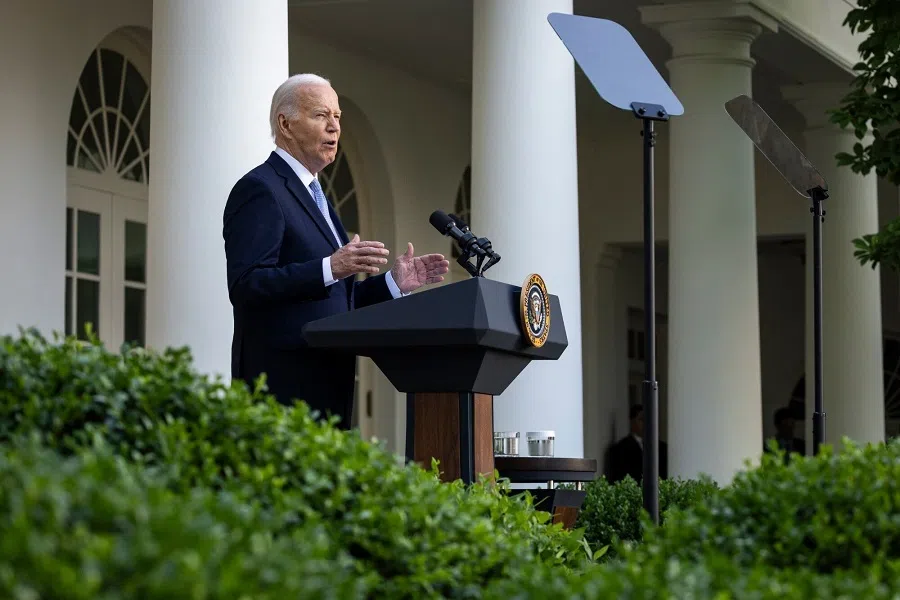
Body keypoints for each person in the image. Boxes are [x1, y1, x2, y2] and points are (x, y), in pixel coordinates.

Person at [223, 73, 449, 429]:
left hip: (328, 386)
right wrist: (331, 265)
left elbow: (335, 300)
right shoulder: (260, 190)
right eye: (321, 116)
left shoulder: (317, 197)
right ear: (286, 124)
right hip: (281, 391)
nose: (334, 128)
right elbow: (247, 284)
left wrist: (393, 283)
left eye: (338, 117)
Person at [606, 403, 668, 483]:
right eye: (642, 419)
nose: (646, 423)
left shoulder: (662, 447)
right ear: (632, 421)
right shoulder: (620, 449)